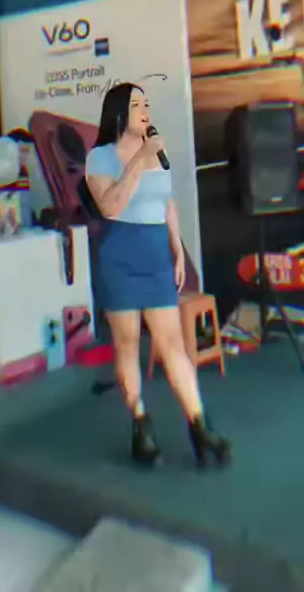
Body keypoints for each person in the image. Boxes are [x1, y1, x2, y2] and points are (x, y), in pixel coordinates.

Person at [86, 82, 231, 468]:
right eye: (136, 104)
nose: (144, 109)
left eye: (146, 103)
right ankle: (141, 427)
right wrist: (140, 158)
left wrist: (177, 251)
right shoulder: (100, 157)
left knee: (173, 346)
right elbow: (111, 206)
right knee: (128, 345)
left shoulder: (157, 154)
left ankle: (200, 427)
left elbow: (168, 206)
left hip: (155, 257)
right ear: (119, 112)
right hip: (120, 259)